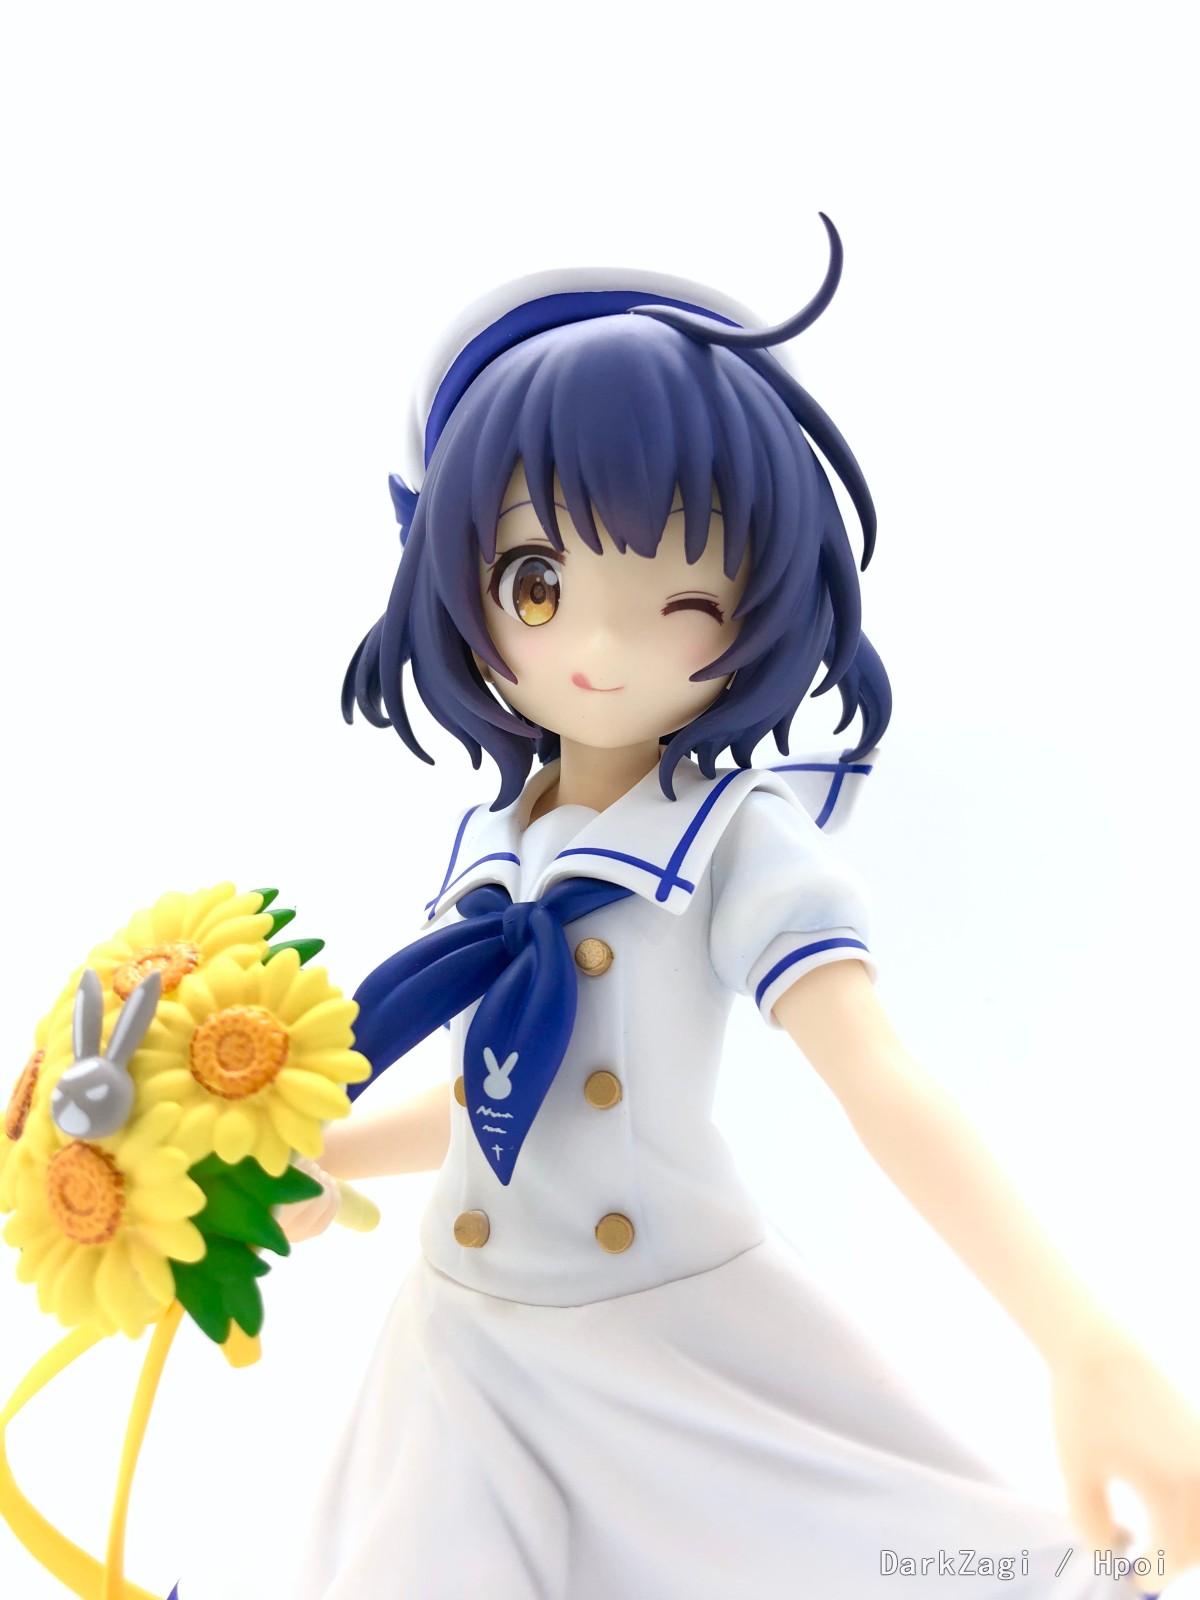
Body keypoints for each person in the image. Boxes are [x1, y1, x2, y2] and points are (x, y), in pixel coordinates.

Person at [275, 220, 1199, 1598]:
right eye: (539, 582)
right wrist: (328, 1151)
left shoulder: (732, 842)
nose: (600, 645)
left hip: (662, 1335)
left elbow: (883, 1086)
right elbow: (501, 1101)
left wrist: (1084, 1341)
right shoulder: (500, 843)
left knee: (921, 1563)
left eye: (684, 596)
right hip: (463, 1346)